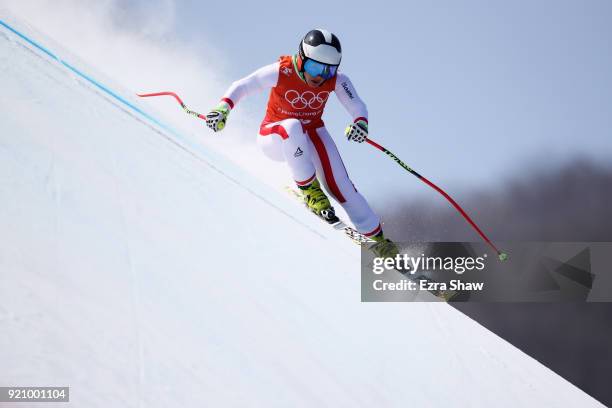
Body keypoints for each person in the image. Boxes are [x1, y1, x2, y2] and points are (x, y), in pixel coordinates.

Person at [205, 28, 397, 257]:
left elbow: (357, 105)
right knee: (293, 126)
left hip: (311, 132)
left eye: (330, 69)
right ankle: (310, 191)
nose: (321, 76)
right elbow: (244, 85)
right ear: (302, 59)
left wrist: (360, 123)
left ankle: (378, 241)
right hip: (274, 137)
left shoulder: (336, 80)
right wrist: (223, 108)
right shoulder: (282, 70)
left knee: (341, 184)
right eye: (315, 67)